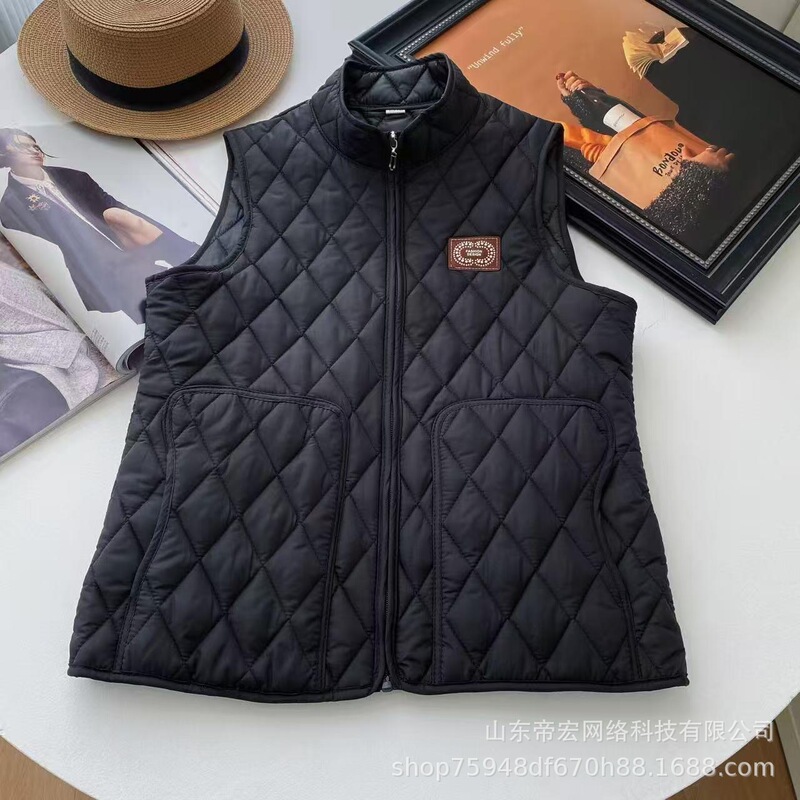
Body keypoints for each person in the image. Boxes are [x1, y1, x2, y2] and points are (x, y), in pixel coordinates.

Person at [0, 129, 199, 323]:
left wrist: (180, 246)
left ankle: (190, 258)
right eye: (22, 147)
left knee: (117, 213)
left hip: (127, 242)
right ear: (4, 155)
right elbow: (54, 254)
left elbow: (120, 209)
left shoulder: (73, 177)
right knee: (170, 307)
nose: (35, 150)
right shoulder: (10, 208)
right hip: (97, 267)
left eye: (35, 146)